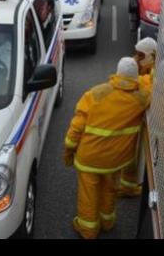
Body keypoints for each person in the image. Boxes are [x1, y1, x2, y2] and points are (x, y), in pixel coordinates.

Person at [64, 57, 151, 239]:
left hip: (90, 159)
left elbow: (76, 128)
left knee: (89, 193)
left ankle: (88, 230)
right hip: (115, 160)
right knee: (109, 189)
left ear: (117, 73)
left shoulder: (95, 94)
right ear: (135, 77)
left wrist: (69, 151)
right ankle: (107, 222)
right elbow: (149, 85)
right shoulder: (142, 98)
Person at [114, 37, 157, 198]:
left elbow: (147, 88)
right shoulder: (145, 66)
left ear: (150, 56)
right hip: (136, 119)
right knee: (132, 155)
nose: (136, 58)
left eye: (139, 55)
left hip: (144, 121)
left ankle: (129, 186)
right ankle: (128, 186)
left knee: (136, 156)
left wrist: (135, 77)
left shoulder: (154, 72)